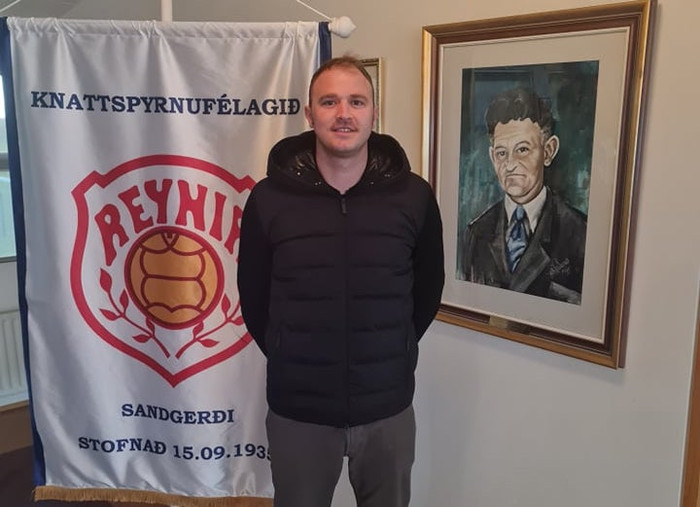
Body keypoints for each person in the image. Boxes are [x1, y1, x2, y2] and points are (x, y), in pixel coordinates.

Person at [237, 56, 445, 507]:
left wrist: (395, 347)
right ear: (309, 114)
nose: (344, 114)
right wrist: (288, 348)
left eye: (357, 101)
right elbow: (253, 297)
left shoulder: (414, 196)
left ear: (374, 112)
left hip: (387, 407)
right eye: (329, 102)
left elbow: (428, 290)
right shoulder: (268, 199)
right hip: (299, 413)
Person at [460, 87, 587, 304]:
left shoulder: (579, 233)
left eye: (522, 150)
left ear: (548, 151)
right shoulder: (477, 232)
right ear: (492, 157)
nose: (510, 165)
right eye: (502, 153)